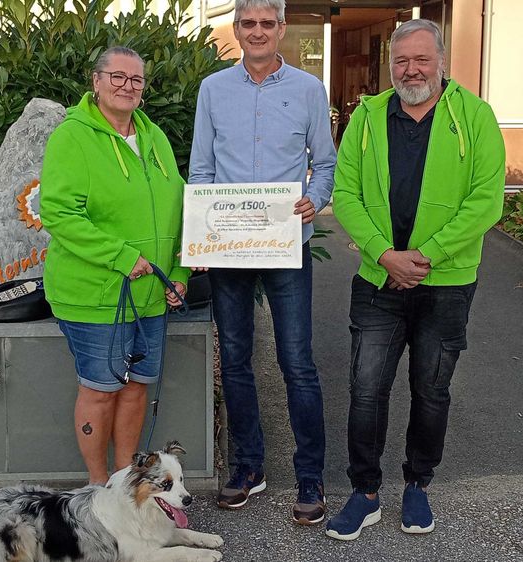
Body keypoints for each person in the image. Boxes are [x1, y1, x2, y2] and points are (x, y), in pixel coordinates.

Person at [325, 19, 505, 541]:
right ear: (391, 66)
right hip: (378, 280)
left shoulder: (475, 117)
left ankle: (417, 485)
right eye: (401, 61)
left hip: (446, 282)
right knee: (365, 390)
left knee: (431, 389)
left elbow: (485, 200)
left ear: (441, 61)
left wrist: (425, 255)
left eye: (421, 59)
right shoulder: (367, 116)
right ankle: (365, 493)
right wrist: (386, 256)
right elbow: (347, 192)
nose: (411, 70)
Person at [188, 0, 337, 525]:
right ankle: (249, 467)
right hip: (228, 247)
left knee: (297, 362)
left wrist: (313, 200)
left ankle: (310, 475)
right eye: (247, 23)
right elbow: (201, 168)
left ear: (280, 29)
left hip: (287, 243)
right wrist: (200, 241)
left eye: (266, 24)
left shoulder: (307, 90)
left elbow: (326, 162)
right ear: (236, 29)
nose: (256, 32)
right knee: (235, 359)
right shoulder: (213, 90)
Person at [39, 46, 190, 485]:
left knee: (137, 386)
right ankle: (98, 487)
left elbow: (182, 206)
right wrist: (123, 258)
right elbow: (60, 213)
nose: (128, 86)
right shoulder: (72, 137)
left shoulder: (154, 137)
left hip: (150, 295)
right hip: (94, 294)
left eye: (136, 80)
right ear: (97, 81)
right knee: (101, 392)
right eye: (118, 77)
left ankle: (127, 481)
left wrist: (178, 272)